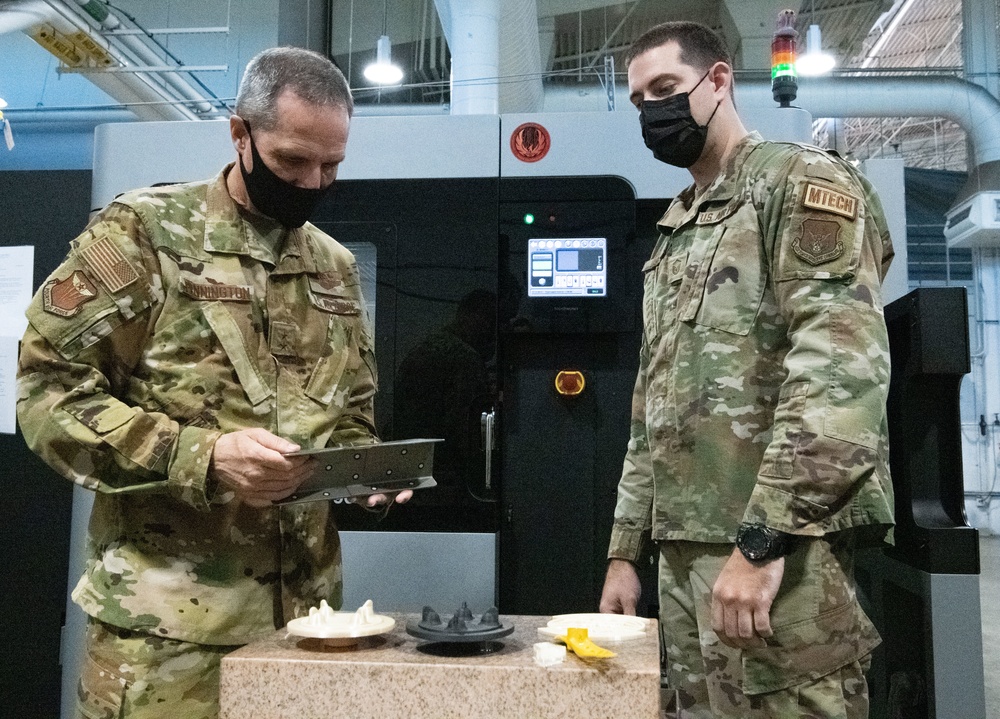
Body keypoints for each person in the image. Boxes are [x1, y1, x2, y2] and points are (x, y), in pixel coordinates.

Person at [16, 46, 409, 719]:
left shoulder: (333, 268)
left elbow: (349, 413)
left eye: (331, 165)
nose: (313, 182)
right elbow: (46, 394)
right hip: (167, 639)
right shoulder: (145, 236)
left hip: (307, 626)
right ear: (240, 134)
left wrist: (357, 469)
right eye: (292, 161)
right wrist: (204, 456)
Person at [598, 22, 894, 718]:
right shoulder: (679, 227)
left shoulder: (798, 183)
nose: (653, 110)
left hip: (776, 560)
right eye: (641, 100)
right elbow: (653, 406)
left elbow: (840, 379)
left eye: (666, 89)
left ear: (720, 81)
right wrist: (624, 550)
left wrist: (761, 542)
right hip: (683, 560)